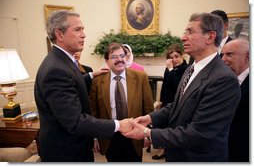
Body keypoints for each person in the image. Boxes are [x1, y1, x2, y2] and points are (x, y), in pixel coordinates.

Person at [123, 13, 241, 162]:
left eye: (190, 32)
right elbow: (178, 105)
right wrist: (150, 118)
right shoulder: (190, 69)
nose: (183, 37)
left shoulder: (223, 79)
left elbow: (199, 132)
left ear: (210, 37)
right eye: (185, 32)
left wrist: (148, 133)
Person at [34, 10, 132, 162]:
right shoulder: (56, 70)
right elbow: (76, 121)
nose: (84, 34)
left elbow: (73, 83)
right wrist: (118, 125)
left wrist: (92, 75)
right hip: (66, 153)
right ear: (59, 35)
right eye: (78, 29)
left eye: (83, 29)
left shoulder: (61, 61)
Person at [89, 42, 154, 162]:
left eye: (122, 55)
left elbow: (148, 108)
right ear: (107, 61)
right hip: (110, 136)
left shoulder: (141, 77)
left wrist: (147, 133)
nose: (120, 60)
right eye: (114, 57)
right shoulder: (97, 81)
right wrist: (94, 138)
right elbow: (93, 112)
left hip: (135, 133)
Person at [152, 43, 189, 160]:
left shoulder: (186, 69)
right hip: (167, 101)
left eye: (176, 56)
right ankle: (162, 148)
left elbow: (178, 85)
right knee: (163, 125)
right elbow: (165, 85)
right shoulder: (169, 69)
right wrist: (160, 100)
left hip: (177, 102)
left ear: (182, 56)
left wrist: (171, 70)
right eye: (171, 57)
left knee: (172, 127)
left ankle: (168, 149)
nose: (174, 59)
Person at [221, 39, 249, 162]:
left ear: (246, 57)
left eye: (229, 54)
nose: (223, 59)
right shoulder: (226, 82)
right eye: (222, 55)